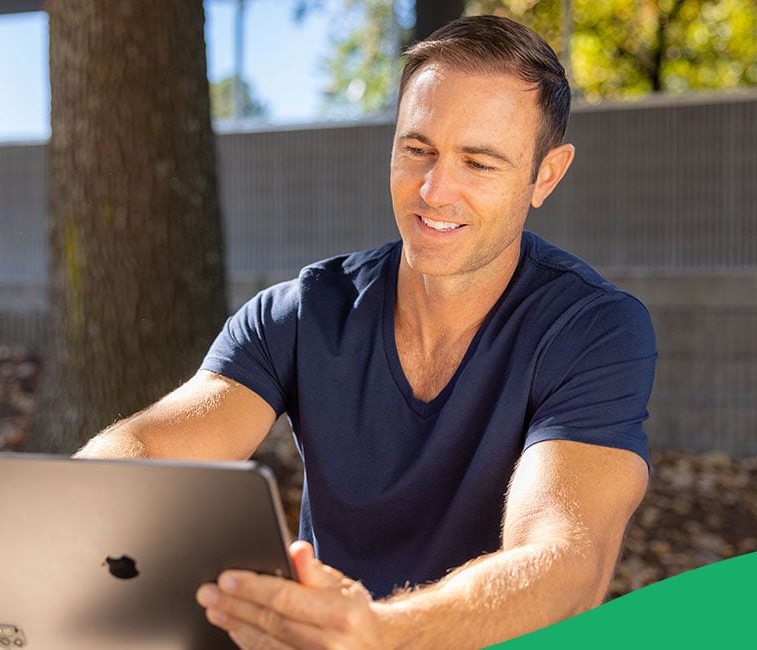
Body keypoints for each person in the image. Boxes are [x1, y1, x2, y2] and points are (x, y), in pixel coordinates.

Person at [76, 15, 655, 649]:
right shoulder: (301, 313)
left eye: (479, 163)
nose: (435, 191)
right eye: (418, 149)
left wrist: (382, 632)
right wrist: (87, 499)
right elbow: (151, 448)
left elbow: (566, 561)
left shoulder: (593, 331)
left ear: (545, 175)